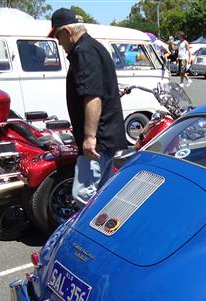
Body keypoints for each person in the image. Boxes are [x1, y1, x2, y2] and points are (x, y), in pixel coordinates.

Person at [48, 8, 126, 209]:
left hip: (98, 138)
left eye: (57, 36)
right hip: (107, 135)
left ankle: (98, 226)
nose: (59, 43)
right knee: (103, 191)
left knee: (83, 194)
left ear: (67, 31)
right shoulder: (94, 47)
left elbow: (93, 96)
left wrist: (90, 137)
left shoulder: (83, 51)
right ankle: (110, 223)